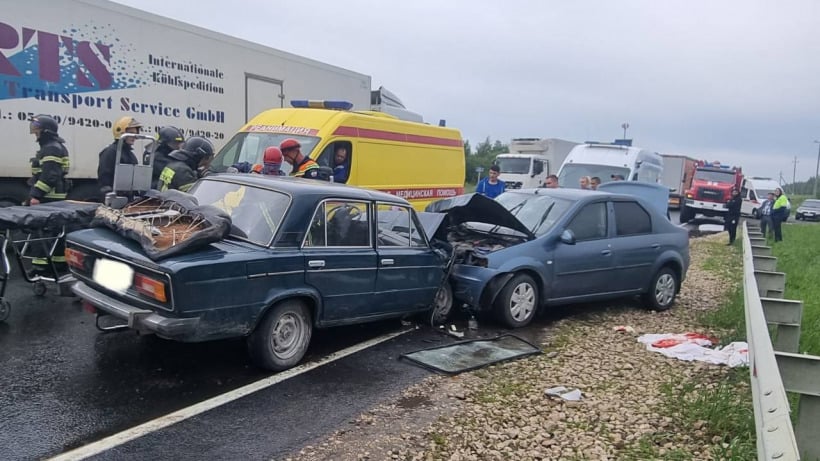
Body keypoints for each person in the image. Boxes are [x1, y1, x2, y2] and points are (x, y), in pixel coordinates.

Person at [27, 115, 70, 275]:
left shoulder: (51, 148)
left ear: (46, 132)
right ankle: (57, 266)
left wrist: (36, 195)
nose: (35, 134)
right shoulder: (53, 146)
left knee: (42, 233)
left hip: (48, 198)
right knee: (55, 233)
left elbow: (50, 175)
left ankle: (40, 268)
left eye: (37, 131)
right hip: (53, 197)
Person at [98, 116, 143, 197]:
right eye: (131, 133)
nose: (134, 137)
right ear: (121, 133)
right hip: (115, 199)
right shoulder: (110, 152)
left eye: (135, 134)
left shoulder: (130, 155)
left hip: (128, 199)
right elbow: (105, 179)